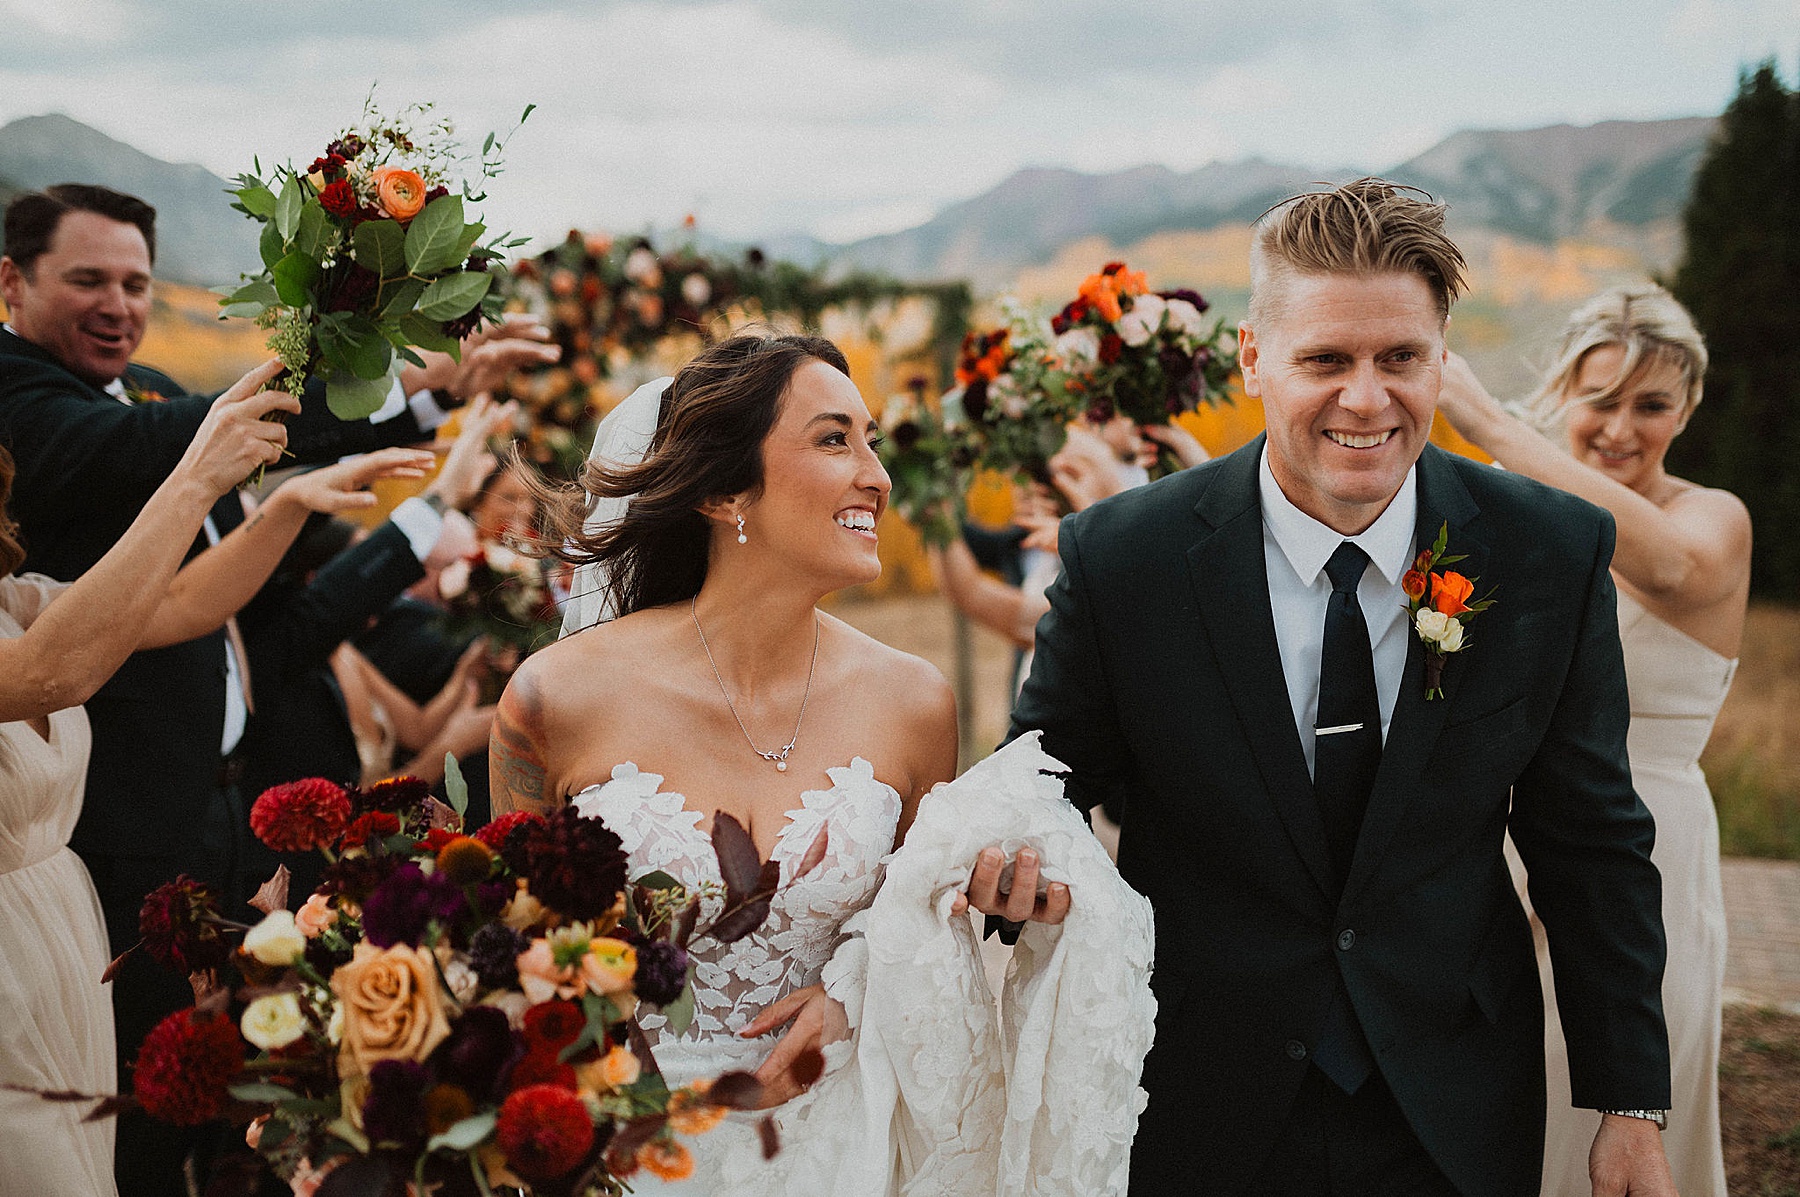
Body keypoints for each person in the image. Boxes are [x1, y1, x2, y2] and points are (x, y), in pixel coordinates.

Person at [1010, 178, 1677, 1196]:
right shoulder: (1125, 559)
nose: (1366, 398)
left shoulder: (1550, 550)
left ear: (1441, 358)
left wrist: (1629, 1104)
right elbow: (1044, 785)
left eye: (1400, 358)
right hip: (1196, 1092)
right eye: (1325, 359)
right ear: (1252, 358)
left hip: (1453, 1098)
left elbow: (1591, 839)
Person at [490, 335, 1152, 1194]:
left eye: (870, 439)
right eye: (835, 438)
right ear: (727, 488)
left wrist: (867, 979)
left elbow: (922, 927)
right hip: (622, 1157)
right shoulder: (553, 700)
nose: (876, 474)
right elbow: (501, 965)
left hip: (838, 1156)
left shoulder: (914, 703)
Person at [0, 181, 550, 1197]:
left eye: (134, 281)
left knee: (211, 1126)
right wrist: (349, 354)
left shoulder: (150, 387)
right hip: (108, 839)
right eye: (87, 280)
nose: (118, 303)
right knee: (121, 1136)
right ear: (11, 282)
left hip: (208, 823)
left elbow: (260, 448)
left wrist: (424, 391)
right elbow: (177, 449)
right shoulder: (22, 401)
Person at [0, 382, 428, 1197]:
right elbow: (54, 670)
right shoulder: (31, 638)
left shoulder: (12, 602)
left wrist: (289, 504)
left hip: (56, 954)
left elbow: (181, 603)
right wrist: (194, 478)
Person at [1435, 284, 1743, 1197]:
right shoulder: (1516, 521)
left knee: (1614, 1114)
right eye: (1601, 398)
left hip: (1647, 853)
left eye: (1651, 405)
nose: (1621, 426)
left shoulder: (1711, 520)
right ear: (1564, 395)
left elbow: (1665, 563)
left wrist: (1484, 419)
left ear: (1685, 411)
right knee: (1501, 1115)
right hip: (1508, 847)